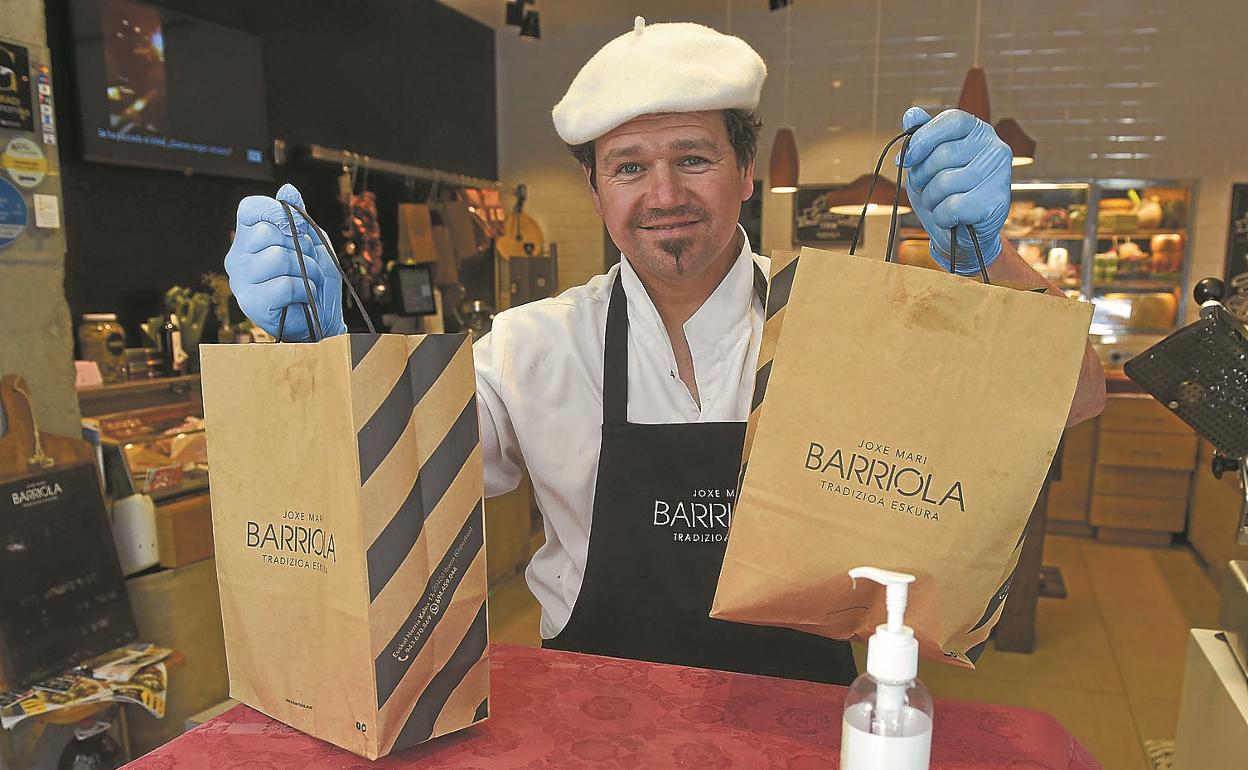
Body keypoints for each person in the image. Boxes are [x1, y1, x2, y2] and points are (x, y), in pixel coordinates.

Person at [224, 18, 1105, 685]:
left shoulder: (840, 323)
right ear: (596, 190)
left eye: (693, 158)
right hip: (591, 716)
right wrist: (314, 355)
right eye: (629, 166)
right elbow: (386, 488)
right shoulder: (532, 345)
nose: (663, 195)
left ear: (746, 172)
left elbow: (1074, 398)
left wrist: (991, 254)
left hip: (797, 720)